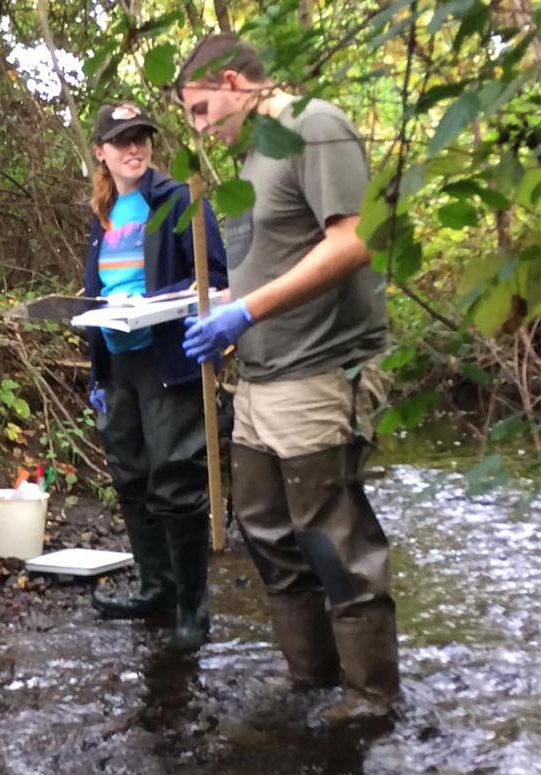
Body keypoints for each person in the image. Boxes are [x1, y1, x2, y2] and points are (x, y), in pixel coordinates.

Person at [175, 34, 399, 721]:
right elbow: (265, 259)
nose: (200, 127)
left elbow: (353, 239)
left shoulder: (313, 125)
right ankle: (310, 677)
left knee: (331, 538)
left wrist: (245, 310)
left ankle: (369, 697)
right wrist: (215, 311)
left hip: (320, 367)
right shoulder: (246, 161)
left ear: (238, 82)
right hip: (260, 376)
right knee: (268, 532)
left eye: (203, 108)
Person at [81, 102, 229, 653]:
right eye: (121, 141)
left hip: (168, 358)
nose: (133, 148)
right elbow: (97, 288)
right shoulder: (100, 214)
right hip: (117, 363)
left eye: (140, 138)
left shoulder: (179, 199)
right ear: (101, 152)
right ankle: (156, 587)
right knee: (130, 474)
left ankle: (194, 602)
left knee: (175, 476)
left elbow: (214, 278)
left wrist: (156, 301)